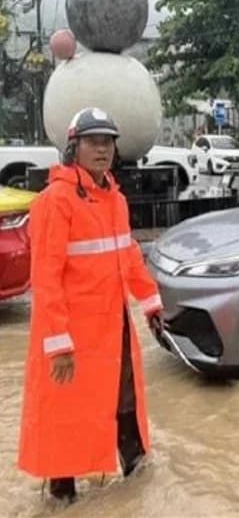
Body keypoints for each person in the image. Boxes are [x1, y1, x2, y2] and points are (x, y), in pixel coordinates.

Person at [18, 108, 164, 503]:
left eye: (108, 141)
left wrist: (151, 303)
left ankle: (139, 494)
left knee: (125, 407)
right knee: (65, 416)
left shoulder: (113, 198)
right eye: (92, 141)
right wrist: (59, 345)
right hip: (72, 338)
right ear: (73, 148)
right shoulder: (55, 202)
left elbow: (128, 257)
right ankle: (63, 498)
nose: (102, 149)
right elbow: (46, 279)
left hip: (112, 331)